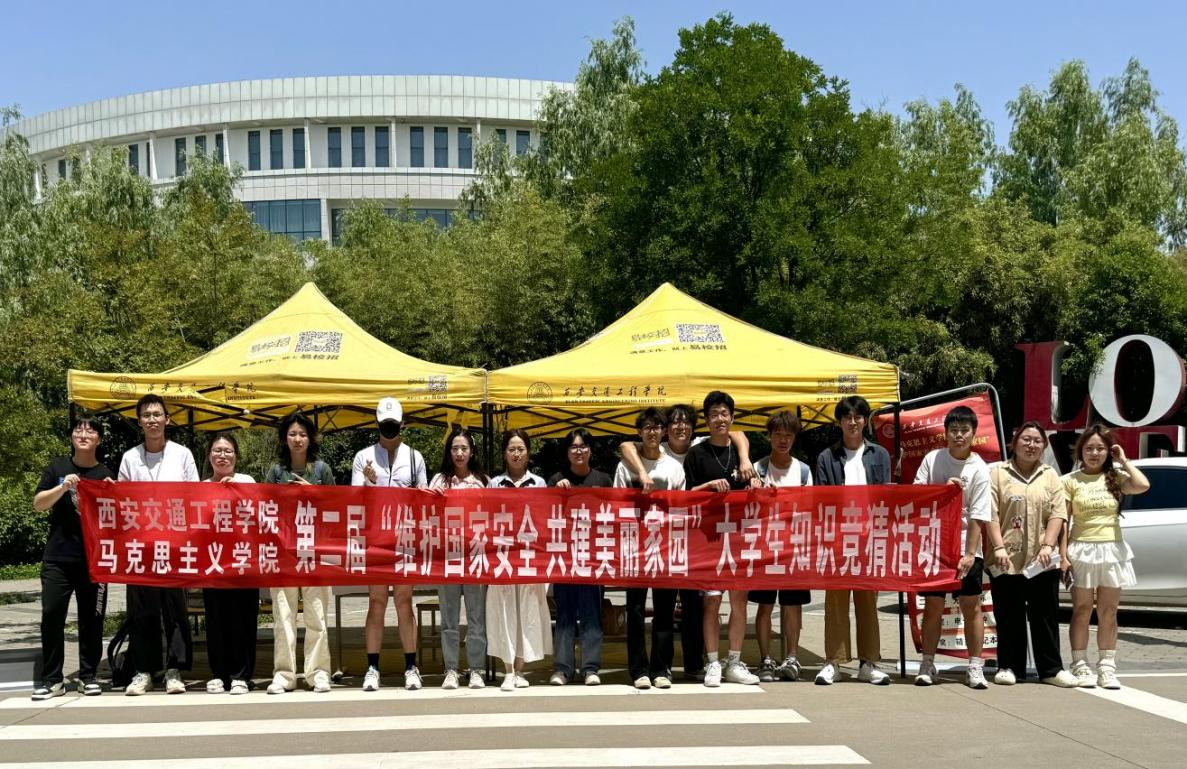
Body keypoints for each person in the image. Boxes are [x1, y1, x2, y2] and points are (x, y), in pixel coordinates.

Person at [117, 394, 199, 696]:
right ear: (139, 421)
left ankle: (175, 670)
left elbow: (195, 497)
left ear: (167, 419)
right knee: (141, 610)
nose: (152, 420)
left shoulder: (182, 454)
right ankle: (144, 671)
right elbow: (121, 501)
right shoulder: (129, 458)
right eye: (146, 415)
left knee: (174, 609)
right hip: (140, 546)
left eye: (157, 414)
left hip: (174, 545)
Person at [987, 422, 1078, 688]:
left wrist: (1048, 545)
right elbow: (990, 513)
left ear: (1044, 446)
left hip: (1042, 560)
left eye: (1037, 441)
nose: (1031, 445)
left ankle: (1051, 669)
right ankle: (1009, 666)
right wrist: (998, 547)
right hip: (1006, 558)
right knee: (1009, 615)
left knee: (1045, 615)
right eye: (1026, 439)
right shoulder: (998, 474)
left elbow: (1058, 514)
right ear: (1014, 443)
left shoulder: (1050, 475)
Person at [31, 412, 114, 700]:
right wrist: (63, 486)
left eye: (90, 431)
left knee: (92, 619)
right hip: (58, 558)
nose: (84, 435)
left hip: (94, 560)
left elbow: (116, 517)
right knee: (52, 616)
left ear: (98, 439)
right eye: (79, 430)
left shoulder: (104, 473)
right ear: (71, 436)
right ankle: (52, 679)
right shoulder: (58, 467)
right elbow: (38, 504)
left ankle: (88, 676)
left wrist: (113, 494)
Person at [682, 391, 761, 688]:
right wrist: (708, 486)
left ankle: (735, 662)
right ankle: (713, 661)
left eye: (724, 413)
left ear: (732, 417)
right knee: (712, 603)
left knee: (739, 601)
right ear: (706, 420)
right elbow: (686, 495)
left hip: (739, 538)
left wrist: (756, 480)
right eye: (713, 414)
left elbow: (756, 487)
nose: (719, 419)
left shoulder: (742, 453)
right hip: (709, 539)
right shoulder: (696, 454)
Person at [351, 397, 428, 692]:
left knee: (404, 601)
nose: (389, 429)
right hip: (376, 538)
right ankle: (372, 667)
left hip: (406, 538)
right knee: (377, 601)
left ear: (402, 424)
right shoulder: (363, 457)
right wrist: (369, 483)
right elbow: (353, 500)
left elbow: (423, 498)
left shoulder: (415, 457)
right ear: (377, 424)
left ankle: (411, 666)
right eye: (385, 424)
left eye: (393, 424)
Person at [1063, 424, 1150, 689]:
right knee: (1081, 609)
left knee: (1109, 611)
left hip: (1112, 550)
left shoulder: (1116, 476)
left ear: (1108, 451)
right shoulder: (1070, 480)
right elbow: (1063, 521)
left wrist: (1124, 460)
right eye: (1089, 448)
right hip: (1081, 550)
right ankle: (1080, 664)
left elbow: (1142, 484)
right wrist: (1063, 555)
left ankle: (1107, 667)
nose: (1094, 453)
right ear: (1081, 451)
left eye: (1100, 448)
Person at [912, 406, 993, 689]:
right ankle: (927, 664)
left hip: (966, 546)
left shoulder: (980, 469)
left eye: (964, 430)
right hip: (934, 546)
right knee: (933, 606)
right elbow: (916, 496)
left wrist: (970, 554)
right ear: (945, 433)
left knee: (971, 606)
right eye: (954, 430)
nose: (959, 435)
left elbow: (979, 516)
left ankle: (975, 666)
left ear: (973, 434)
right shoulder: (932, 459)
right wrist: (944, 490)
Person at [814, 395, 892, 686]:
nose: (852, 422)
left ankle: (869, 662)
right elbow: (821, 499)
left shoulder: (879, 455)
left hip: (870, 539)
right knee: (835, 602)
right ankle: (833, 662)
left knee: (868, 602)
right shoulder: (826, 457)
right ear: (839, 422)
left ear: (865, 421)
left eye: (858, 416)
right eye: (847, 417)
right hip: (837, 539)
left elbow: (887, 497)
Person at [613, 407, 686, 689]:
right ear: (639, 432)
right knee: (635, 610)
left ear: (664, 432)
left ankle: (661, 668)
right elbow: (617, 502)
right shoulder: (626, 466)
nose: (652, 432)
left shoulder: (674, 467)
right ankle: (638, 670)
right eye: (647, 427)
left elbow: (681, 505)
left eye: (657, 427)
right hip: (634, 545)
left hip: (664, 545)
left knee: (664, 610)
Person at [264, 411, 335, 694]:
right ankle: (284, 675)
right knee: (283, 615)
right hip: (284, 553)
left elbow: (336, 508)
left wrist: (314, 493)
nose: (297, 439)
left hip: (315, 552)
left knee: (317, 615)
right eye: (292, 434)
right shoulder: (275, 471)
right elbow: (266, 509)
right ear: (284, 438)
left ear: (310, 439)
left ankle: (318, 673)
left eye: (302, 434)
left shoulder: (322, 470)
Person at [749, 411, 812, 684]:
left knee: (793, 605)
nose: (783, 440)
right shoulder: (757, 469)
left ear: (794, 438)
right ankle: (765, 659)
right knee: (765, 605)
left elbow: (810, 508)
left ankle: (792, 657)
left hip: (794, 547)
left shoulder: (804, 471)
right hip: (764, 547)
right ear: (769, 436)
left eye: (788, 435)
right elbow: (748, 510)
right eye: (778, 435)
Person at [486, 430, 551, 691]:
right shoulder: (494, 484)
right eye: (511, 449)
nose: (516, 454)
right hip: (502, 556)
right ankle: (508, 670)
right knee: (503, 610)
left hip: (528, 556)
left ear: (528, 452)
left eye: (520, 449)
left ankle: (521, 669)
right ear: (504, 453)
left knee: (527, 611)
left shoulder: (539, 483)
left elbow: (545, 520)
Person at [547, 428, 611, 687]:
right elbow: (546, 515)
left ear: (590, 450)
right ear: (567, 452)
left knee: (591, 614)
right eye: (573, 447)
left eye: (583, 446)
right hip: (565, 559)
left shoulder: (603, 480)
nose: (579, 451)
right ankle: (563, 668)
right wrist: (556, 493)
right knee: (564, 615)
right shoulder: (556, 479)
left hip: (593, 559)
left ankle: (590, 668)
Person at [429, 427, 489, 690]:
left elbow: (493, 516)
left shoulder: (483, 481)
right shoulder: (439, 481)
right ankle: (451, 669)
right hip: (448, 558)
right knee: (449, 619)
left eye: (464, 448)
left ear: (472, 451)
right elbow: (426, 514)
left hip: (475, 556)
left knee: (476, 618)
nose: (460, 453)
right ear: (449, 452)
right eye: (455, 448)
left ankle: (476, 669)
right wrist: (433, 499)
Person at [201, 433, 259, 695]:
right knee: (216, 619)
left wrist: (236, 490)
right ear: (209, 456)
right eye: (217, 451)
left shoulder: (247, 481)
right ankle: (219, 674)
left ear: (236, 456)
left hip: (243, 562)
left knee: (243, 619)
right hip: (213, 563)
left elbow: (259, 517)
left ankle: (241, 675)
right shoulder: (201, 487)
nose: (222, 455)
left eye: (228, 451)